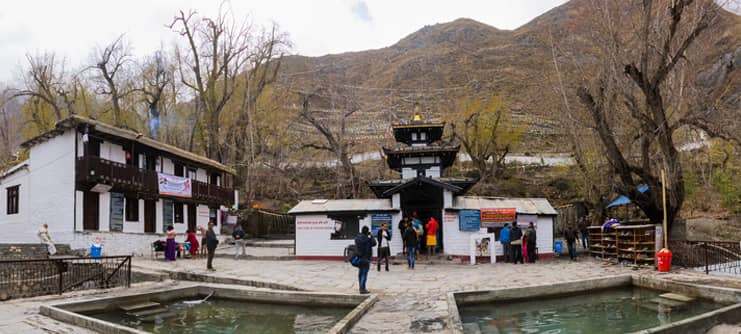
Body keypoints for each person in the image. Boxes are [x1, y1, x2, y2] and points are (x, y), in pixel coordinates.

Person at [354, 226, 376, 294]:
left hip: (359, 257)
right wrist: (371, 236)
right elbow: (374, 243)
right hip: (366, 258)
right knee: (364, 274)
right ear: (367, 231)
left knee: (360, 273)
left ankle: (360, 287)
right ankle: (362, 289)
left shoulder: (357, 238)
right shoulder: (367, 239)